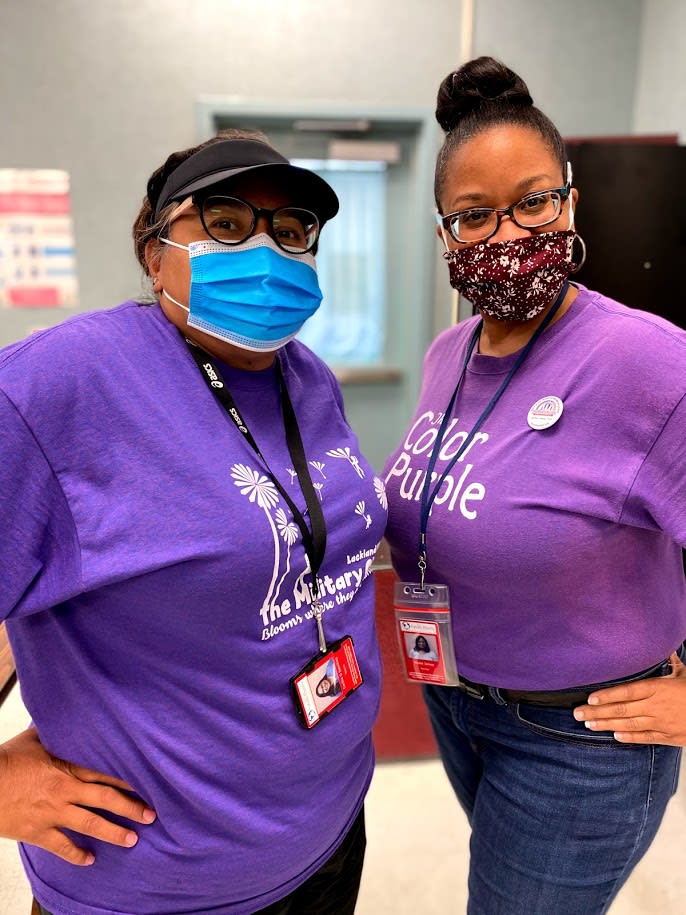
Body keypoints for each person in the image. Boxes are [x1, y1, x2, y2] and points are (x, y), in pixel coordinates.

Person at [0, 130, 388, 915]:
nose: (267, 252)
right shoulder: (55, 386)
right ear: (154, 251)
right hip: (159, 888)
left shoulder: (308, 376)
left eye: (291, 231)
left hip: (332, 835)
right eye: (227, 221)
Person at [383, 56, 686, 914]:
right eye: (475, 214)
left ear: (571, 203)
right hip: (457, 701)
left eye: (534, 202)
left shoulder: (649, 362)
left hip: (581, 740)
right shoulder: (449, 353)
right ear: (446, 234)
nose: (508, 233)